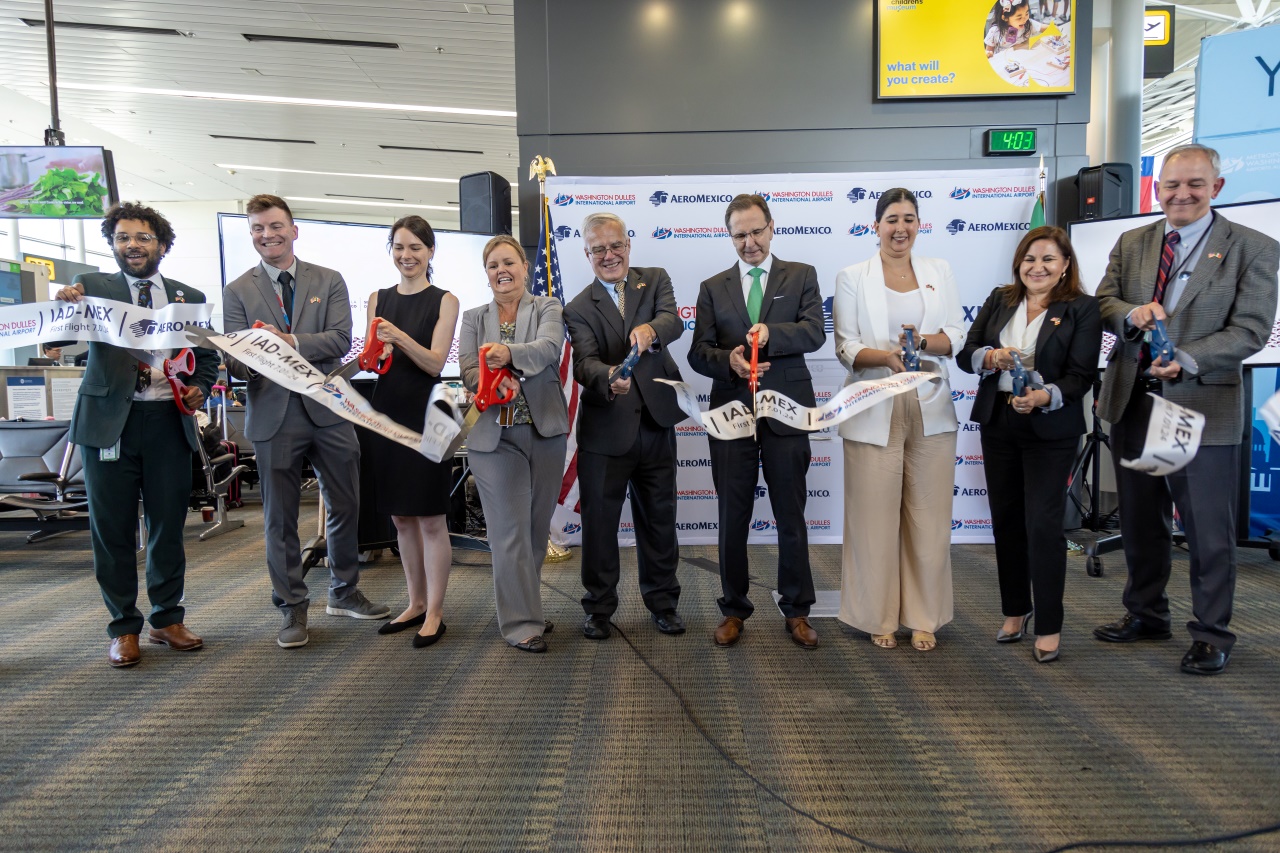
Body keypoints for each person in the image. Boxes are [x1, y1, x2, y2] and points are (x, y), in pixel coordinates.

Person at [1092, 144, 1279, 675]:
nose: (1182, 194)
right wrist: (1132, 313)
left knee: (1207, 530)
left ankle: (1212, 633)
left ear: (1216, 188)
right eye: (1172, 185)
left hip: (1200, 403)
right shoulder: (1133, 242)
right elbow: (1104, 302)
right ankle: (1146, 613)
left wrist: (1189, 359)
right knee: (1140, 519)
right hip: (1135, 398)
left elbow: (1250, 330)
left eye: (1195, 184)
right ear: (1158, 190)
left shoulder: (1255, 248)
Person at [53, 202, 218, 667]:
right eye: (123, 237)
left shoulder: (188, 297)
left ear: (161, 245)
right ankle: (123, 627)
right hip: (109, 424)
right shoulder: (92, 288)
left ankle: (167, 619)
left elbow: (206, 359)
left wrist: (200, 389)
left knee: (168, 526)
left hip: (167, 421)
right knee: (112, 530)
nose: (132, 245)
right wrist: (64, 304)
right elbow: (59, 336)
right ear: (113, 244)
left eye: (143, 237)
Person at [223, 194, 390, 648]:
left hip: (328, 409)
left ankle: (344, 591)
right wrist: (253, 353)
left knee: (346, 504)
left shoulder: (328, 279)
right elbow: (234, 361)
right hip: (272, 413)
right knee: (279, 518)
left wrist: (286, 340)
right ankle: (292, 607)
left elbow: (339, 340)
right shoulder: (238, 290)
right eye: (258, 228)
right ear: (252, 235)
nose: (268, 235)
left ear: (293, 231)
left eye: (275, 226)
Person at [957, 226, 1101, 664]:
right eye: (1029, 259)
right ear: (1018, 263)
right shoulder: (1000, 299)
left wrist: (1044, 396)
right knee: (1006, 521)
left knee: (1043, 525)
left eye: (1048, 259)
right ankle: (1015, 610)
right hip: (998, 421)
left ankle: (1049, 625)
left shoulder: (1082, 307)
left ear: (1065, 265)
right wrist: (990, 357)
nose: (1037, 267)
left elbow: (1081, 376)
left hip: (1051, 429)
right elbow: (966, 353)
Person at [688, 194, 825, 648]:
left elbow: (814, 332)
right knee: (732, 515)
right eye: (739, 235)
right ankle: (733, 609)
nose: (749, 242)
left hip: (787, 411)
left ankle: (797, 609)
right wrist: (727, 361)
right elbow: (698, 352)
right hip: (732, 412)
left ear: (771, 226)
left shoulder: (801, 275)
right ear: (729, 236)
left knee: (791, 514)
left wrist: (771, 334)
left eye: (756, 231)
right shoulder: (713, 287)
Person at [833, 188, 964, 652]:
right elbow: (846, 345)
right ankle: (877, 616)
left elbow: (956, 335)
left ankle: (924, 617)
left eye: (909, 218)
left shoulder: (939, 270)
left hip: (930, 404)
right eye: (891, 219)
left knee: (929, 518)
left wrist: (922, 343)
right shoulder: (853, 276)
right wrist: (887, 358)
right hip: (874, 402)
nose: (900, 228)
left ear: (919, 224)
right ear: (876, 226)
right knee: (873, 520)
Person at [563, 212, 687, 640]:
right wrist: (608, 377)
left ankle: (664, 605)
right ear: (587, 254)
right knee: (600, 527)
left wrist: (651, 328)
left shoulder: (654, 279)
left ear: (628, 245)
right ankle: (599, 609)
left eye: (615, 245)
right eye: (598, 249)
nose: (609, 255)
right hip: (605, 431)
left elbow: (674, 320)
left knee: (660, 521)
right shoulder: (577, 307)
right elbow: (585, 362)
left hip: (656, 423)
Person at [459, 235, 569, 653]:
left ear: (525, 266)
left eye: (508, 262)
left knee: (536, 532)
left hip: (545, 433)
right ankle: (521, 624)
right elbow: (468, 368)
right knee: (509, 532)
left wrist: (504, 355)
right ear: (486, 273)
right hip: (493, 439)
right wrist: (490, 379)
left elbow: (548, 349)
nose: (501, 270)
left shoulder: (548, 307)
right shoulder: (473, 318)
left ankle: (528, 608)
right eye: (493, 265)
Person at [361, 216, 460, 648]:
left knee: (431, 517)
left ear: (430, 251)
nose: (407, 255)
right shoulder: (377, 298)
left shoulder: (446, 300)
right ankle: (415, 602)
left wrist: (398, 337)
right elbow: (372, 360)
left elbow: (435, 363)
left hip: (427, 415)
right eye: (399, 247)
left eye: (416, 247)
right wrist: (376, 350)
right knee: (401, 517)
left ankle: (435, 611)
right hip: (385, 413)